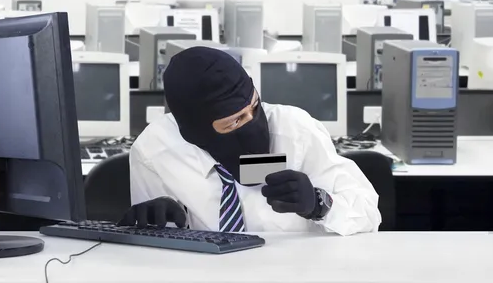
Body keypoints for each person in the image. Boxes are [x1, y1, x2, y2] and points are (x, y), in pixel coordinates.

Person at [119, 47, 381, 235]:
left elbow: (370, 212)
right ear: (194, 131)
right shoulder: (154, 151)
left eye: (253, 107)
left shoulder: (296, 131)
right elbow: (155, 253)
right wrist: (156, 224)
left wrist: (319, 204)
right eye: (233, 122)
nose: (251, 123)